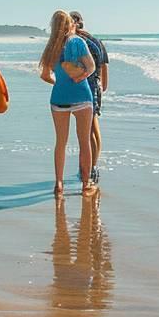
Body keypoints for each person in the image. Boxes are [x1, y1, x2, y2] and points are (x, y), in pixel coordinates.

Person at [38, 10, 96, 197]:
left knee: (60, 143)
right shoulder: (78, 42)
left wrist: (60, 82)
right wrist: (80, 77)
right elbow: (92, 67)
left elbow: (45, 75)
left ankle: (59, 184)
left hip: (59, 98)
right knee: (84, 141)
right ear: (71, 24)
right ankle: (86, 184)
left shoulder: (51, 47)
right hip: (81, 96)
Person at [69, 11, 108, 184]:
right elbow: (103, 64)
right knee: (93, 128)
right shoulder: (96, 40)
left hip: (82, 85)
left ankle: (88, 168)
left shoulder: (75, 41)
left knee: (85, 132)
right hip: (95, 86)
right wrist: (103, 86)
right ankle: (92, 166)